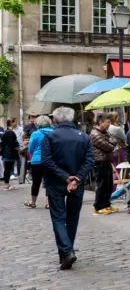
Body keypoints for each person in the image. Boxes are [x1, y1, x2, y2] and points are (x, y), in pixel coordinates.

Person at [40, 107, 94, 269]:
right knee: (72, 217)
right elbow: (89, 161)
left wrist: (66, 177)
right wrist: (76, 178)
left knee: (58, 218)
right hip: (75, 182)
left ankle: (66, 251)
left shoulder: (50, 136)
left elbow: (46, 161)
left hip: (56, 182)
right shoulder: (83, 137)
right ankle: (66, 251)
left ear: (55, 120)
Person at [89, 112, 118, 215]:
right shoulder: (95, 134)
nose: (109, 124)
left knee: (108, 185)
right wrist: (112, 142)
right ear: (101, 122)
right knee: (101, 185)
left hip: (106, 161)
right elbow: (109, 146)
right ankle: (98, 207)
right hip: (99, 162)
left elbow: (113, 141)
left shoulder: (104, 132)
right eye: (107, 122)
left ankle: (106, 204)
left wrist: (112, 141)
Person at [24, 115, 53, 209]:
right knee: (49, 182)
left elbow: (30, 149)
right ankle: (48, 203)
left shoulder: (35, 134)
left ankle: (33, 202)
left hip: (37, 161)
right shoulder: (54, 133)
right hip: (50, 160)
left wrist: (35, 155)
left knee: (36, 182)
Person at [1, 118, 20, 189]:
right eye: (15, 122)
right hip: (10, 153)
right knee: (8, 169)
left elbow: (3, 143)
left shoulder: (6, 132)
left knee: (7, 169)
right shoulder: (10, 132)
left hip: (6, 152)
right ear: (12, 123)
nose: (16, 124)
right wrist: (17, 147)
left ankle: (7, 184)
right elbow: (13, 143)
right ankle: (6, 184)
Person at [18, 114, 37, 185]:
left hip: (36, 145)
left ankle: (32, 174)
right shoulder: (28, 126)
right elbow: (23, 135)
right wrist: (26, 141)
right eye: (32, 117)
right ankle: (28, 175)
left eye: (35, 117)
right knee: (29, 161)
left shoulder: (38, 125)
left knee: (33, 160)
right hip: (29, 145)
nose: (34, 118)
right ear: (29, 118)